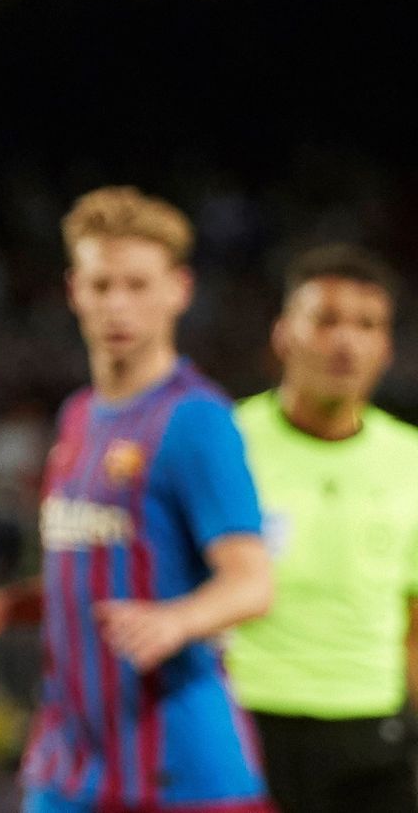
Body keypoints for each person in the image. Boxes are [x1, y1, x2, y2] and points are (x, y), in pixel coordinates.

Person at [0, 185, 275, 813]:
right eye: (102, 283)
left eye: (138, 285)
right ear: (73, 291)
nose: (118, 304)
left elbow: (252, 582)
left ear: (179, 290)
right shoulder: (79, 417)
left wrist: (175, 621)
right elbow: (93, 563)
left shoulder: (197, 421)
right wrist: (5, 609)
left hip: (178, 768)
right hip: (69, 761)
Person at [226, 244, 418, 813]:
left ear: (386, 347)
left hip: (371, 736)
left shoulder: (410, 460)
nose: (345, 341)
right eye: (326, 320)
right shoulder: (224, 442)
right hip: (242, 723)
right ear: (283, 334)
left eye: (367, 325)